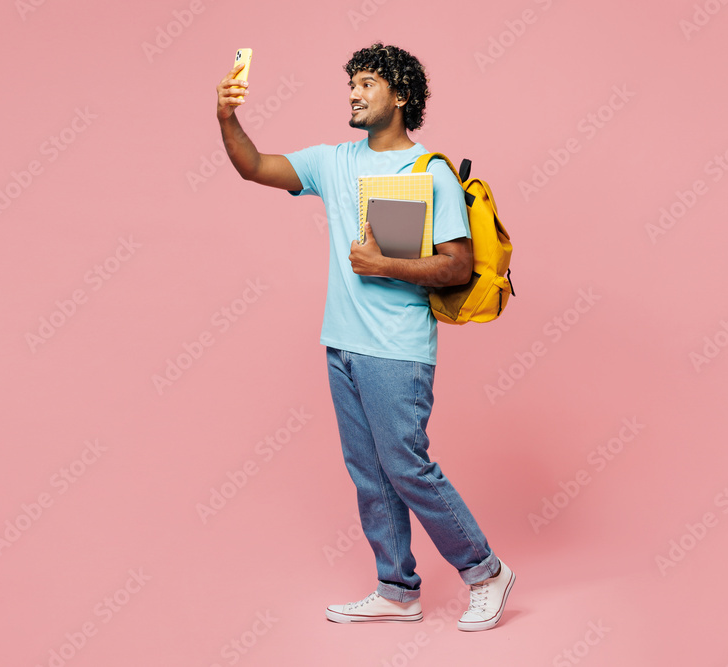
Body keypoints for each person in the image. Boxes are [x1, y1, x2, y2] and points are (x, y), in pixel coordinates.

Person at [215, 43, 514, 631]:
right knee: (369, 474)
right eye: (351, 84)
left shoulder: (429, 173)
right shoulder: (332, 162)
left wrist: (384, 265)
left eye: (368, 83)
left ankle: (486, 572)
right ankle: (397, 589)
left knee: (406, 467)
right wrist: (227, 116)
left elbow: (458, 265)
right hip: (342, 345)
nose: (353, 93)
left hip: (397, 350)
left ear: (400, 96)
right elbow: (254, 166)